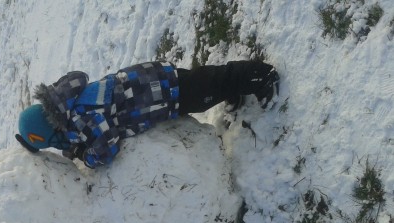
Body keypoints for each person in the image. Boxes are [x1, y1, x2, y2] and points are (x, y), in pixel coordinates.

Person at [15, 60, 279, 169]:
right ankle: (232, 90)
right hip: (151, 81)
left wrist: (86, 156)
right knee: (205, 87)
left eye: (54, 142)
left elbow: (106, 148)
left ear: (52, 131)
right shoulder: (67, 100)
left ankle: (259, 75)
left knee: (206, 88)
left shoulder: (81, 118)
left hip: (161, 94)